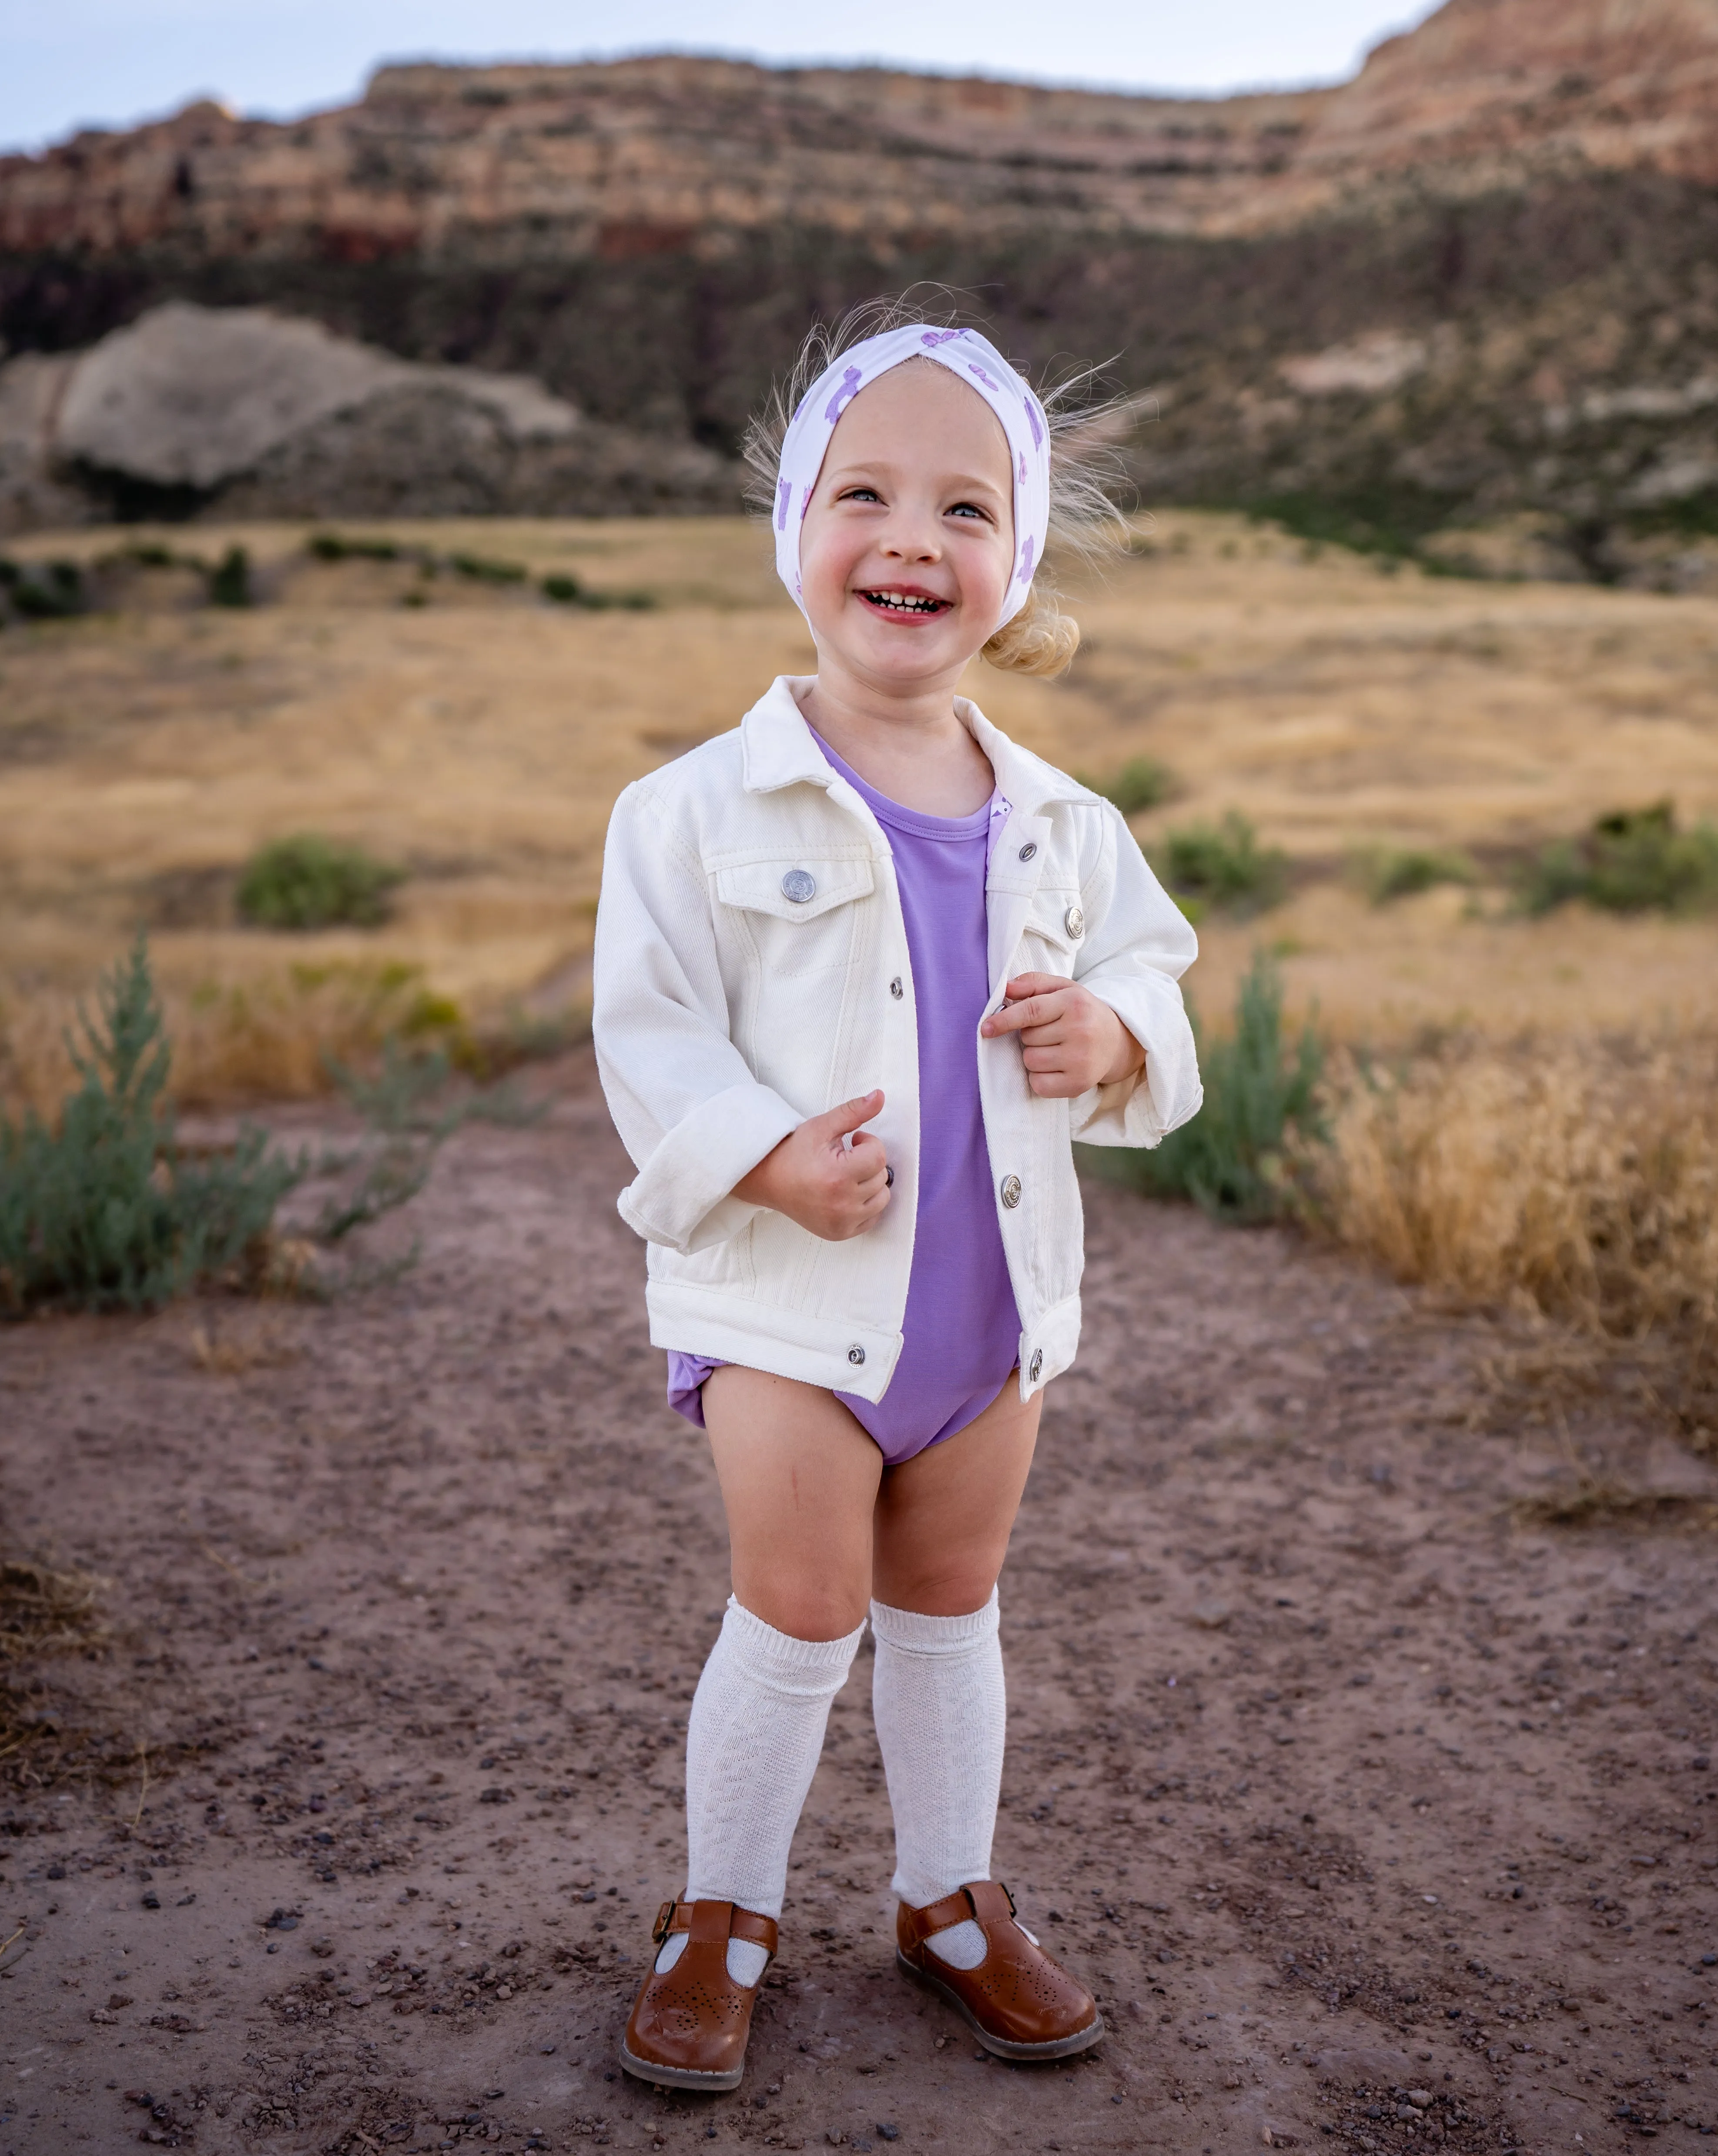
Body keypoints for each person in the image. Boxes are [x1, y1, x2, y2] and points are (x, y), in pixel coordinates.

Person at [592, 302, 1201, 2092]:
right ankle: (722, 1916)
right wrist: (764, 1154)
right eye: (862, 493)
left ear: (1014, 569)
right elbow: (652, 1035)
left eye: (966, 509)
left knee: (952, 1604)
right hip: (792, 1297)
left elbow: (1158, 972)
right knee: (796, 1609)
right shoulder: (693, 810)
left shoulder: (1064, 819)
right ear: (795, 533)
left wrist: (1115, 1030)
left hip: (990, 1308)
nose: (912, 539)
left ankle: (951, 1899)